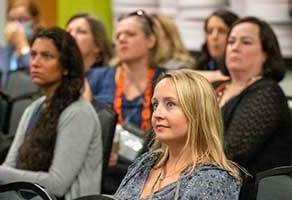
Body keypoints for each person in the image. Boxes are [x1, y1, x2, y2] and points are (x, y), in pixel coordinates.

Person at [0, 27, 103, 200]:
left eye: (47, 56)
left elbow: (57, 184)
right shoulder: (33, 108)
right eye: (33, 54)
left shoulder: (79, 112)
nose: (35, 62)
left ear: (66, 66)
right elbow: (9, 167)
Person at [114, 69, 241, 199]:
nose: (157, 114)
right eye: (155, 105)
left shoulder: (214, 180)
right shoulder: (145, 163)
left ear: (197, 113)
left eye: (170, 104)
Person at [88, 9, 165, 193]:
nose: (121, 39)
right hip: (102, 168)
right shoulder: (96, 77)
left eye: (130, 34)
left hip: (149, 169)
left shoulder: (165, 79)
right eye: (118, 35)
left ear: (150, 40)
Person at [216, 16, 292, 198]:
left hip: (245, 192)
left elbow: (231, 153)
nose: (235, 47)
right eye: (231, 41)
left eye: (246, 42)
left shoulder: (267, 93)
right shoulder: (215, 88)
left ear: (266, 53)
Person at [0, 0, 41, 87]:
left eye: (22, 19)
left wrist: (23, 46)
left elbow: (38, 79)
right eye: (12, 20)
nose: (16, 25)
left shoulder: (44, 50)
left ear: (35, 22)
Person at [66, 13, 113, 101]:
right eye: (68, 32)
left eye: (81, 32)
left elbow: (107, 111)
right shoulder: (58, 74)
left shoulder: (108, 76)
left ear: (97, 45)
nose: (71, 36)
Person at [195, 10, 239, 83]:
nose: (214, 36)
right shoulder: (203, 62)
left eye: (222, 31)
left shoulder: (240, 68)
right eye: (209, 31)